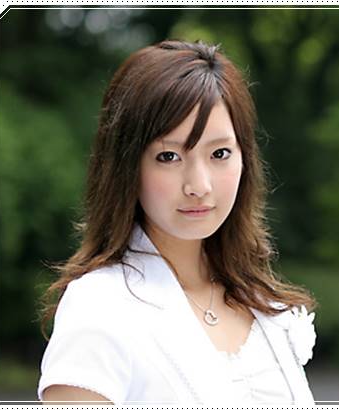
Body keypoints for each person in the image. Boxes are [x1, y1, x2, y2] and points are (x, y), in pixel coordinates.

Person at [38, 39, 317, 405]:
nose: (199, 186)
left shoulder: (264, 306)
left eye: (220, 153)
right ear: (127, 166)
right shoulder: (101, 306)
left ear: (244, 159)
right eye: (169, 156)